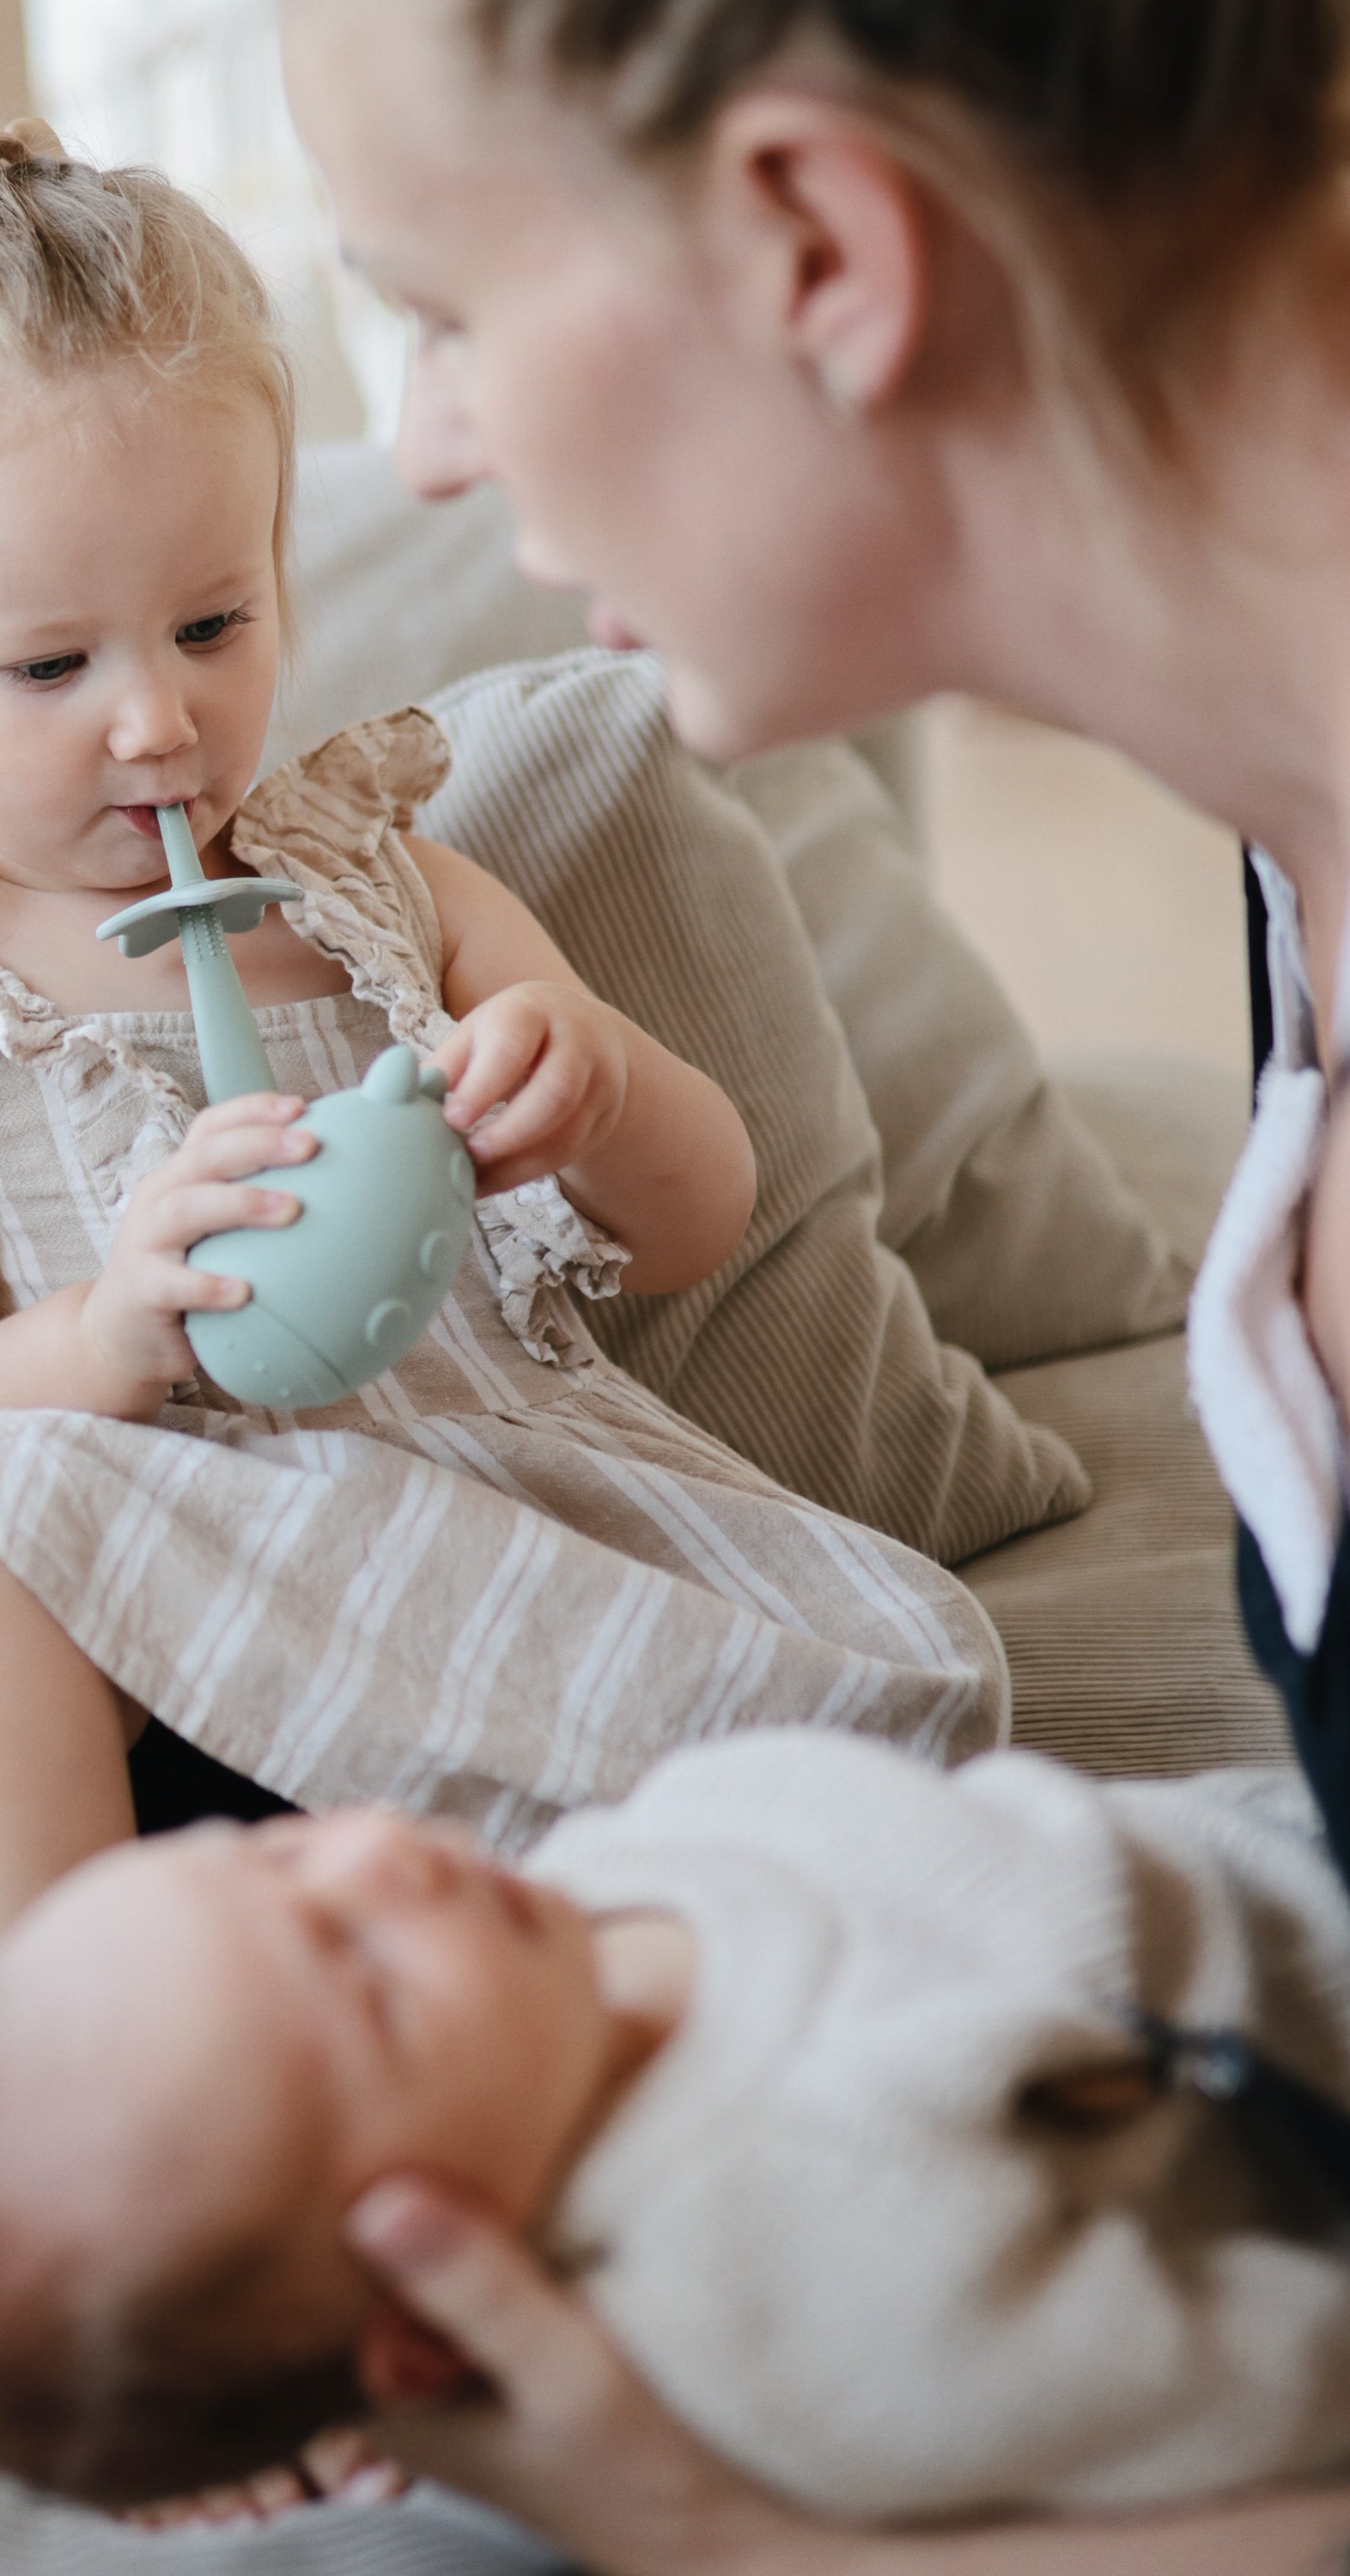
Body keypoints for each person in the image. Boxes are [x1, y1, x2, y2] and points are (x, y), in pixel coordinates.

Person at [272, 2, 1350, 2561]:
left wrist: (729, 2542)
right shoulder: (1292, 841)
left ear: (817, 245)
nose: (425, 448)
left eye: (441, 312)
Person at [0, 94, 1006, 1996]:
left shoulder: (384, 889)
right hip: (152, 1634)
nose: (156, 723)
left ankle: (674, 1955)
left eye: (213, 623)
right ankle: (75, 2044)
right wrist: (109, 1333)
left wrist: (596, 1089)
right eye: (52, 666)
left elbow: (698, 1221)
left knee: (863, 1754)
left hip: (467, 1567)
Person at [0, 1739, 1350, 2520]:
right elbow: (1259, 2394)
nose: (378, 1849)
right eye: (368, 1981)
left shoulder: (558, 1938)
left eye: (280, 1856)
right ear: (426, 2322)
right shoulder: (797, 2277)